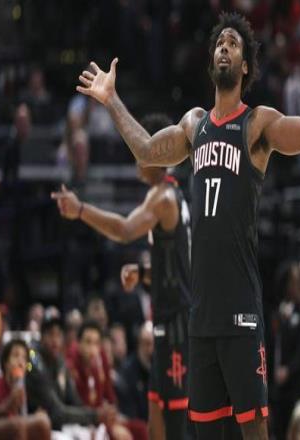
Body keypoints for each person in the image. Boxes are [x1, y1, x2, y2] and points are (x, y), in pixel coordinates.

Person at [76, 11, 300, 439]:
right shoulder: (194, 125)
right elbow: (147, 151)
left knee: (254, 432)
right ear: (212, 61)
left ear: (244, 66)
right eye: (220, 43)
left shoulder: (257, 123)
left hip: (241, 311)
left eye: (233, 43)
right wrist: (112, 99)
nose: (224, 47)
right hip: (201, 316)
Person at [51, 113, 192, 439]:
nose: (136, 155)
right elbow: (178, 269)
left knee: (174, 425)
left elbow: (125, 230)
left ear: (158, 150)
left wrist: (81, 210)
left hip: (177, 325)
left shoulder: (164, 198)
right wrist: (143, 273)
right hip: (167, 319)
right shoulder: (170, 194)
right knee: (155, 417)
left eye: (141, 147)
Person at [0, 339, 52, 440]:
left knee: (42, 421)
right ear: (5, 362)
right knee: (19, 425)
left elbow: (22, 415)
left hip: (15, 426)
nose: (20, 361)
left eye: (24, 358)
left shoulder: (22, 385)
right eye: (16, 355)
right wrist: (8, 404)